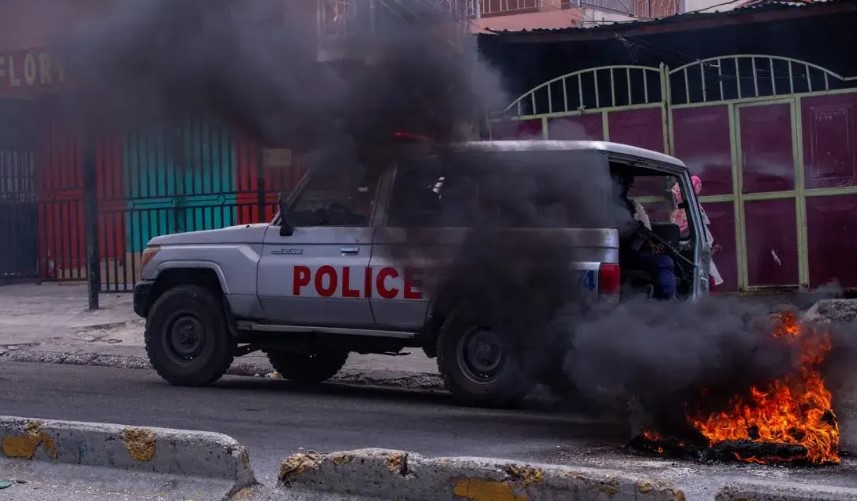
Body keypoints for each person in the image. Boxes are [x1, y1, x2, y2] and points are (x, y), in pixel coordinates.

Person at [616, 174, 677, 300]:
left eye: (627, 185)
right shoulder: (604, 206)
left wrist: (649, 245)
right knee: (664, 262)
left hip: (629, 253)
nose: (624, 189)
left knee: (665, 260)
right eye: (622, 185)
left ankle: (668, 298)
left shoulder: (633, 206)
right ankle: (668, 300)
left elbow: (646, 235)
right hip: (614, 254)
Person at [670, 176, 724, 290]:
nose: (676, 196)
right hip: (685, 249)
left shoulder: (692, 209)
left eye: (677, 193)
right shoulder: (681, 210)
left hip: (692, 248)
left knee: (704, 274)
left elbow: (696, 230)